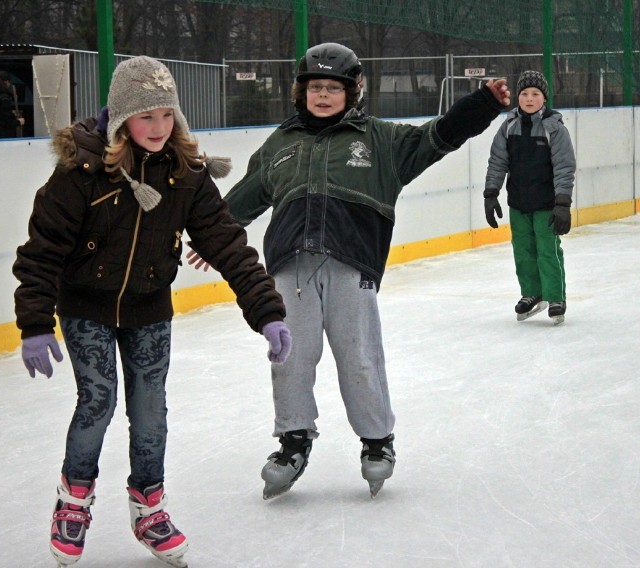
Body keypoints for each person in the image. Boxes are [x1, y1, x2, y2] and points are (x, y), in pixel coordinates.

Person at [188, 42, 511, 499]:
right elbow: (244, 197)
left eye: (332, 88)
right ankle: (293, 439)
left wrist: (482, 104)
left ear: (353, 91)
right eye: (314, 87)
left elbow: (436, 137)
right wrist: (211, 237)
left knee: (359, 356)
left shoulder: (380, 140)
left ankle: (377, 441)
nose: (322, 95)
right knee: (289, 357)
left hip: (350, 262)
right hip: (289, 265)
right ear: (301, 92)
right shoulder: (280, 144)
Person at [12, 56, 291, 568]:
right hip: (86, 306)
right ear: (122, 120)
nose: (160, 128)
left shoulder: (186, 176)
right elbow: (42, 249)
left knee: (150, 414)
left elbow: (229, 246)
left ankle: (149, 505)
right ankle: (73, 502)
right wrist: (34, 321)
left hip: (148, 310)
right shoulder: (82, 173)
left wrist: (266, 310)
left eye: (167, 115)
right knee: (97, 401)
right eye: (147, 117)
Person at [484, 70, 576, 325]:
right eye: (524, 93)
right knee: (523, 251)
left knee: (548, 250)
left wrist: (563, 203)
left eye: (535, 94)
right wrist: (491, 193)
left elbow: (564, 167)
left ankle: (556, 296)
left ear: (544, 98)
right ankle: (532, 292)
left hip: (547, 203)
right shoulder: (509, 126)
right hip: (519, 202)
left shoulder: (554, 128)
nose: (529, 98)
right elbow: (497, 162)